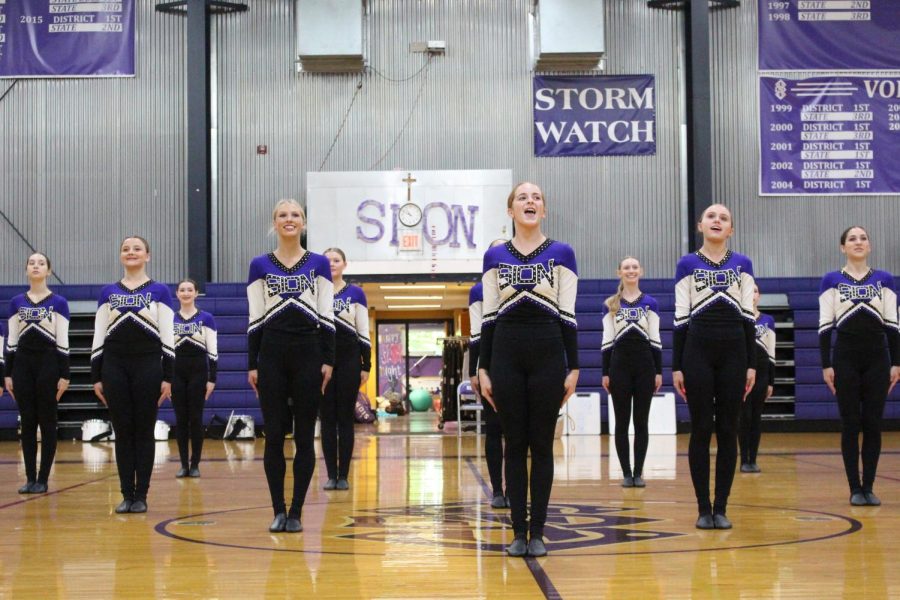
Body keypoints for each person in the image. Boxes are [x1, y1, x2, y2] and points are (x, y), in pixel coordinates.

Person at [479, 182, 579, 557]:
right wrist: (483, 367)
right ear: (510, 211)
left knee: (541, 445)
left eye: (537, 196)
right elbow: (488, 317)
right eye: (522, 197)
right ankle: (517, 532)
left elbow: (568, 315)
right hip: (505, 354)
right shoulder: (494, 257)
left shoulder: (562, 253)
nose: (530, 201)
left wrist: (574, 367)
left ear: (544, 209)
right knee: (514, 444)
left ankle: (538, 531)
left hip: (549, 355)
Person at [247, 199, 334, 533]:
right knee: (273, 435)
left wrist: (328, 359)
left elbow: (326, 313)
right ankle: (277, 509)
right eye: (282, 215)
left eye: (295, 214)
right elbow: (255, 317)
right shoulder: (259, 265)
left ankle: (296, 511)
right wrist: (252, 363)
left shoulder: (319, 263)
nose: (289, 219)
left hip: (309, 352)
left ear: (304, 222)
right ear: (274, 223)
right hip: (271, 353)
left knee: (303, 435)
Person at [672, 204, 755, 530]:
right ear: (700, 225)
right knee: (701, 428)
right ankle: (702, 507)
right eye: (711, 217)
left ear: (730, 230)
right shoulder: (687, 264)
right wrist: (677, 366)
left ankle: (721, 507)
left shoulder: (743, 264)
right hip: (697, 351)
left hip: (735, 351)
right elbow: (680, 316)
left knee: (728, 429)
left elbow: (749, 316)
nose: (717, 221)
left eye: (724, 218)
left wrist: (750, 363)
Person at [91, 236, 174, 514]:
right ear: (120, 256)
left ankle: (142, 495)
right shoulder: (108, 292)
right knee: (123, 431)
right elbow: (99, 335)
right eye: (126, 248)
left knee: (143, 430)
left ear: (147, 256)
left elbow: (168, 336)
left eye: (137, 248)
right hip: (114, 366)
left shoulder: (160, 291)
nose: (131, 252)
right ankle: (126, 493)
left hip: (149, 365)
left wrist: (168, 376)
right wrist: (96, 375)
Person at [819, 226, 900, 506]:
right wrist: (825, 364)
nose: (858, 242)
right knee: (851, 423)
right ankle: (855, 487)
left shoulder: (884, 279)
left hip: (878, 358)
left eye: (863, 238)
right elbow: (824, 327)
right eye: (852, 238)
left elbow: (893, 325)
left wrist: (896, 362)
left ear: (870, 246)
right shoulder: (831, 280)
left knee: (873, 424)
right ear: (843, 247)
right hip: (845, 358)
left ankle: (869, 486)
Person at [4, 253, 70, 494]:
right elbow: (11, 341)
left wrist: (65, 374)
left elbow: (63, 341)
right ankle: (30, 478)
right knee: (28, 422)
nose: (36, 266)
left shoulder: (59, 302)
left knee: (48, 422)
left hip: (49, 364)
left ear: (49, 271)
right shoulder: (16, 302)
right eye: (31, 262)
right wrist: (7, 373)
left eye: (41, 263)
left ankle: (43, 478)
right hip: (22, 365)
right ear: (26, 270)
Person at [601, 256, 662, 488]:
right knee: (621, 422)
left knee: (641, 422)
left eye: (635, 267)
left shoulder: (650, 303)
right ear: (619, 272)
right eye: (626, 267)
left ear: (641, 271)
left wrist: (658, 371)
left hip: (645, 366)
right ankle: (626, 473)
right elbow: (607, 340)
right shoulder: (610, 304)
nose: (631, 270)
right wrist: (605, 372)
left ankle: (639, 472)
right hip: (619, 367)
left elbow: (655, 339)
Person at [320, 247, 370, 491]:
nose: (332, 264)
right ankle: (331, 474)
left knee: (345, 420)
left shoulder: (356, 293)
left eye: (336, 260)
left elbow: (363, 330)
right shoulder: (315, 292)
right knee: (327, 419)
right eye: (327, 260)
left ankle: (344, 475)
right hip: (323, 364)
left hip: (350, 360)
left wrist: (366, 364)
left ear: (345, 264)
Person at [468, 239, 510, 509]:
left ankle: (517, 488)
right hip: (491, 364)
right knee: (494, 429)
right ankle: (497, 489)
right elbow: (475, 332)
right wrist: (475, 369)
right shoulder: (478, 290)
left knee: (518, 433)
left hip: (517, 358)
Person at [172, 278, 218, 478]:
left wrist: (212, 379)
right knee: (181, 419)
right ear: (177, 294)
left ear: (196, 293)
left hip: (198, 371)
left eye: (190, 289)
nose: (186, 293)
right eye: (182, 290)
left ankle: (195, 463)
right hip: (176, 372)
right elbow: (163, 350)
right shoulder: (169, 319)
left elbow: (213, 351)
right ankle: (183, 464)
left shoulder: (206, 318)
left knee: (196, 418)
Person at [739, 284, 775, 474]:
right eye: (748, 290)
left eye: (755, 290)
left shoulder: (768, 320)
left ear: (759, 295)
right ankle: (743, 459)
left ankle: (753, 459)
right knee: (744, 417)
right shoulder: (739, 319)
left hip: (762, 374)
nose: (752, 294)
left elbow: (771, 352)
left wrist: (771, 381)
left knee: (756, 418)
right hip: (742, 375)